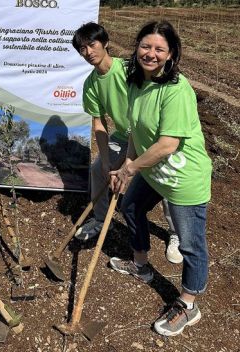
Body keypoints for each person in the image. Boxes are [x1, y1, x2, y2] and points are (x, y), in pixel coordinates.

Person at [109, 20, 212, 336]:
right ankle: (141, 265)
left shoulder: (176, 89)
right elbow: (135, 130)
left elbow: (168, 144)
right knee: (131, 207)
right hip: (153, 170)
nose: (150, 54)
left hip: (182, 178)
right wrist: (128, 159)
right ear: (136, 46)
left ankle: (188, 304)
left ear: (170, 55)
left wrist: (131, 168)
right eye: (145, 46)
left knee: (191, 245)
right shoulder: (138, 82)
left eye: (159, 49)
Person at [71, 22, 182, 265]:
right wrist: (106, 160)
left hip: (150, 135)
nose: (88, 52)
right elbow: (99, 124)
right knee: (97, 170)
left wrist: (129, 165)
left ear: (105, 43)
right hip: (123, 135)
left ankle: (176, 233)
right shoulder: (91, 84)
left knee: (165, 178)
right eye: (82, 48)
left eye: (92, 44)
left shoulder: (129, 69)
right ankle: (101, 219)